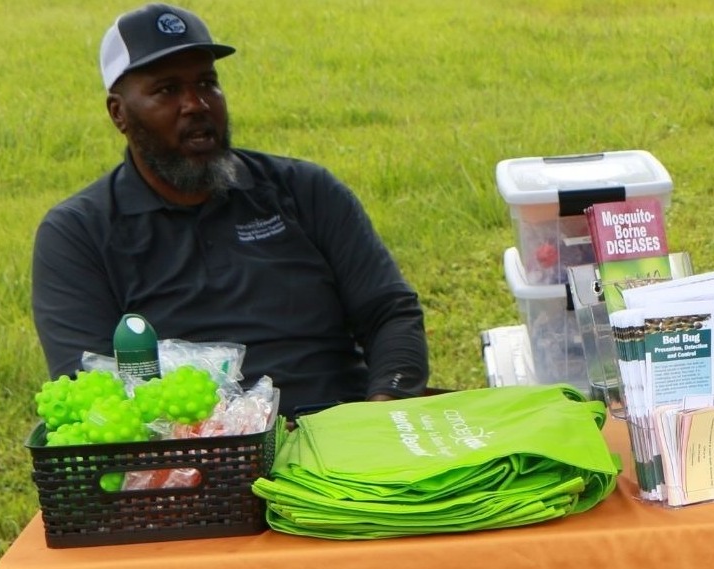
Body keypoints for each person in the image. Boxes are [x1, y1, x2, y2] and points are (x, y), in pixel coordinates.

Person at [32, 4, 428, 417]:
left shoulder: (306, 190)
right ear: (119, 113)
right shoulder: (78, 234)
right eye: (167, 90)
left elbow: (389, 312)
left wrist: (383, 413)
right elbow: (91, 389)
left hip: (344, 433)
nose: (196, 104)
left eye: (207, 82)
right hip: (195, 460)